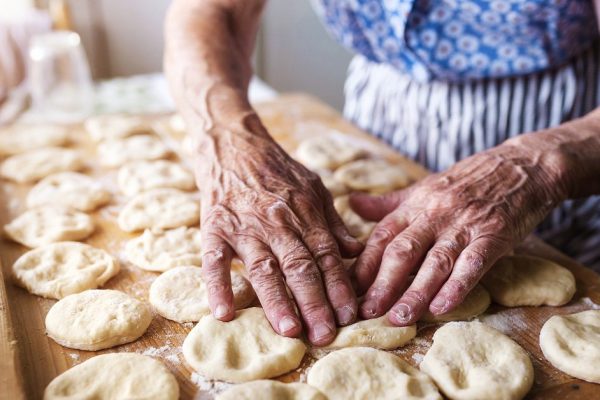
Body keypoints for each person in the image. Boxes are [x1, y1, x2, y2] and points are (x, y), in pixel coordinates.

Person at [164, 0, 600, 346]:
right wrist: (228, 142)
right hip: (378, 120)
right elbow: (208, 9)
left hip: (563, 134)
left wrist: (537, 167)